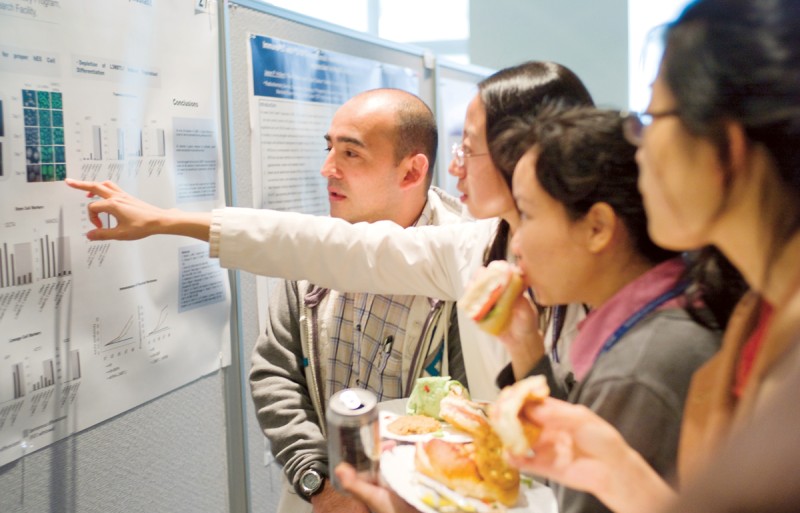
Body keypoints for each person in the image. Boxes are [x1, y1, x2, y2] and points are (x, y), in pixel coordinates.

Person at [66, 61, 594, 401]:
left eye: (468, 146)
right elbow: (323, 247)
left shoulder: (610, 274)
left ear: (525, 153)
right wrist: (167, 221)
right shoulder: (474, 248)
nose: (454, 166)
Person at [336, 106, 736, 513]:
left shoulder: (641, 368)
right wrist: (524, 344)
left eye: (525, 215)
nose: (516, 243)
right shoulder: (657, 325)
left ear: (598, 227)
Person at [504, 0, 800, 513]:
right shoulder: (754, 313)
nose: (636, 147)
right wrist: (620, 472)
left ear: (725, 147)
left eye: (651, 117)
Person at [253, 88, 470, 513]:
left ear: (411, 171)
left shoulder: (465, 264)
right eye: (329, 147)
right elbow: (275, 371)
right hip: (323, 511)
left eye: (350, 153)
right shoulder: (314, 254)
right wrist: (321, 487)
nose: (327, 168)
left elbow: (477, 417)